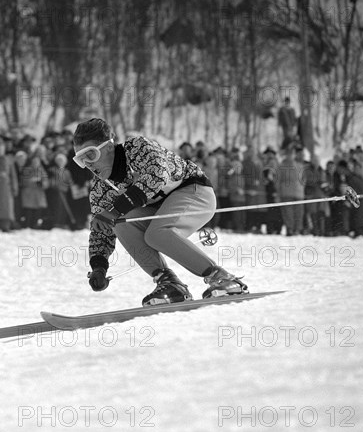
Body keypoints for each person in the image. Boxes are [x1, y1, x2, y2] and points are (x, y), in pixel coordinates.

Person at [72, 118, 248, 306]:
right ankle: (171, 284)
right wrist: (99, 267)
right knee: (121, 224)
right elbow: (101, 230)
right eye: (80, 160)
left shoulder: (137, 148)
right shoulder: (101, 189)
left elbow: (157, 174)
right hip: (158, 210)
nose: (88, 164)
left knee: (156, 233)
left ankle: (222, 279)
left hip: (194, 192)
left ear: (108, 146)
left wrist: (116, 209)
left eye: (90, 155)